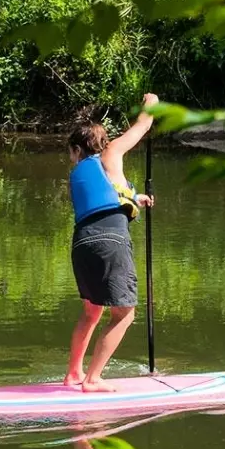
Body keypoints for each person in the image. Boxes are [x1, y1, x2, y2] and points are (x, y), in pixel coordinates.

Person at [65, 93, 158, 392]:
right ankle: (92, 380)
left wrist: (135, 198)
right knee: (125, 314)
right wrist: (152, 104)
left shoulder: (82, 170)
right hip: (110, 240)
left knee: (92, 312)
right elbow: (142, 126)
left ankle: (74, 374)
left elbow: (109, 196)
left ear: (76, 149)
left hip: (82, 242)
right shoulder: (111, 152)